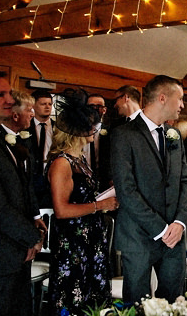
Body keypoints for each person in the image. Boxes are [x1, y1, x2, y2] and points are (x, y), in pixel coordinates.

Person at [111, 75, 187, 302]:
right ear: (163, 98)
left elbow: (185, 181)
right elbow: (126, 190)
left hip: (174, 238)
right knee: (138, 304)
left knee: (173, 303)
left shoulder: (173, 136)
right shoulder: (123, 135)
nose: (183, 105)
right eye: (181, 99)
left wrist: (179, 222)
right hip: (139, 237)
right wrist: (160, 228)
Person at [45, 89, 117, 313]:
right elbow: (61, 210)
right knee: (73, 295)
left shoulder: (80, 159)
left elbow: (82, 195)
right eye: (91, 126)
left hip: (90, 238)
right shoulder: (61, 163)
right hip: (73, 243)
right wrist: (99, 205)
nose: (95, 130)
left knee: (92, 297)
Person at [0, 71, 42, 316]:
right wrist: (31, 236)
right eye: (1, 95)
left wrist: (32, 222)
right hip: (0, 251)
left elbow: (19, 189)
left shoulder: (0, 138)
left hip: (14, 248)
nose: (9, 100)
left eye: (9, 93)